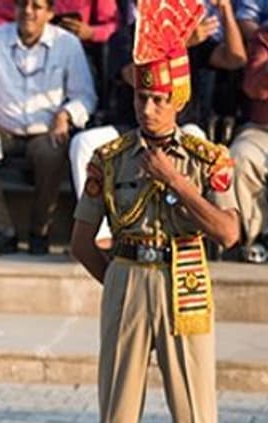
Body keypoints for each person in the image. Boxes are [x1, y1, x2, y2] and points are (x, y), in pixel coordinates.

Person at [63, 0, 241, 423]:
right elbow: (82, 241)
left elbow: (228, 232)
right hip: (129, 276)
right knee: (116, 417)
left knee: (197, 420)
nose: (148, 107)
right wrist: (118, 282)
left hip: (186, 279)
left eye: (159, 98)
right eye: (142, 97)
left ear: (180, 99)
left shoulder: (208, 159)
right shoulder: (109, 161)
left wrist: (176, 181)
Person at [67, 0, 244, 249]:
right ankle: (103, 238)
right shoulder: (127, 37)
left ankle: (198, 230)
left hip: (184, 125)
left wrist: (225, 8)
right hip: (129, 126)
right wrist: (178, 45)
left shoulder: (192, 33)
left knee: (199, 142)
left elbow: (235, 58)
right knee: (83, 143)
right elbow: (135, 77)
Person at [0, 0, 96, 257]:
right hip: (2, 128)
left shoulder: (67, 43)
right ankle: (1, 233)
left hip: (45, 131)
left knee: (53, 152)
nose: (29, 12)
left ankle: (39, 231)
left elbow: (85, 96)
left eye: (37, 6)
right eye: (23, 5)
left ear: (50, 13)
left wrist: (66, 115)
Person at [220, 17, 268, 262]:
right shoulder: (264, 37)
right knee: (239, 157)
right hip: (262, 130)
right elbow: (253, 87)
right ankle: (251, 243)